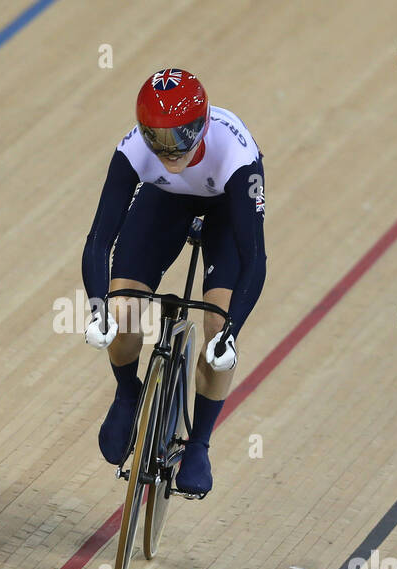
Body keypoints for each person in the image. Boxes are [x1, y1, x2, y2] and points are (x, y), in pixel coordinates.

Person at [81, 68, 266, 496]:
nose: (168, 152)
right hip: (164, 201)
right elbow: (98, 240)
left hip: (226, 206)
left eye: (178, 138)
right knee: (122, 312)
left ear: (201, 126)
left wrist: (232, 332)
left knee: (217, 329)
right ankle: (128, 394)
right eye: (156, 140)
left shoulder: (236, 158)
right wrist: (97, 308)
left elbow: (255, 258)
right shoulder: (132, 151)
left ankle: (199, 444)